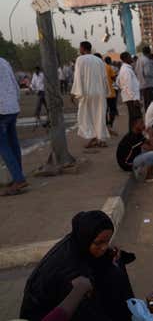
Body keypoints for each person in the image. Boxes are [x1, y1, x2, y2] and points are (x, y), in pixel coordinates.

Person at [20, 211, 135, 321]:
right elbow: (85, 312)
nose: (104, 247)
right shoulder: (70, 273)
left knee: (114, 264)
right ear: (86, 238)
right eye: (99, 243)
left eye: (107, 241)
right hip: (45, 314)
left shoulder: (77, 241)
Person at [71, 41, 110, 149]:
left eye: (80, 48)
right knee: (100, 115)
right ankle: (101, 139)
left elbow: (78, 77)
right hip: (100, 93)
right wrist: (106, 92)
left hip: (87, 93)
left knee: (86, 116)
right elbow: (104, 78)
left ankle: (93, 137)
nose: (79, 50)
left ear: (83, 48)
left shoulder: (80, 59)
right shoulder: (99, 60)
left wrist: (75, 93)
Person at [0, 57, 28, 196]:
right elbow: (15, 85)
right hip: (12, 108)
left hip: (1, 109)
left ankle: (18, 178)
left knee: (4, 147)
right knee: (13, 143)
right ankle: (18, 176)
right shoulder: (4, 61)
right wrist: (15, 102)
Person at [116, 115, 153, 183]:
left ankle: (150, 173)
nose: (143, 125)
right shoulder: (133, 137)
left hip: (133, 157)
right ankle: (149, 177)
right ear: (135, 125)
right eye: (141, 123)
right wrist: (150, 134)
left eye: (143, 122)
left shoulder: (138, 134)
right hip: (126, 164)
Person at [116, 52, 141, 130]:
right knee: (136, 118)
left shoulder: (125, 68)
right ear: (126, 58)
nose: (131, 58)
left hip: (130, 97)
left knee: (133, 118)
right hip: (132, 98)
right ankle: (134, 136)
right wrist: (134, 98)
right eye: (130, 57)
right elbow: (128, 86)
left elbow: (118, 82)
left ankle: (133, 136)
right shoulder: (126, 70)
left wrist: (123, 89)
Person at [135, 46, 153, 111]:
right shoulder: (146, 60)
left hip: (142, 84)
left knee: (146, 103)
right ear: (149, 52)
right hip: (148, 85)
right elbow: (147, 73)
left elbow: (136, 71)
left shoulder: (139, 59)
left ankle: (148, 116)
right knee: (150, 103)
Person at [103, 57, 118, 136]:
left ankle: (106, 126)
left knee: (104, 111)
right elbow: (114, 78)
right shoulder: (109, 67)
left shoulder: (99, 68)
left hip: (102, 94)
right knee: (113, 110)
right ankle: (110, 124)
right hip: (110, 93)